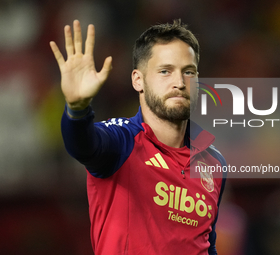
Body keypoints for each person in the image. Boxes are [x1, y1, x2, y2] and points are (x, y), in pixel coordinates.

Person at [50, 19, 226, 255]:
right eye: (165, 71)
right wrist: (77, 108)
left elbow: (207, 243)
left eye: (189, 72)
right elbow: (82, 145)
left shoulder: (215, 163)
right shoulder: (121, 141)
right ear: (138, 80)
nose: (179, 82)